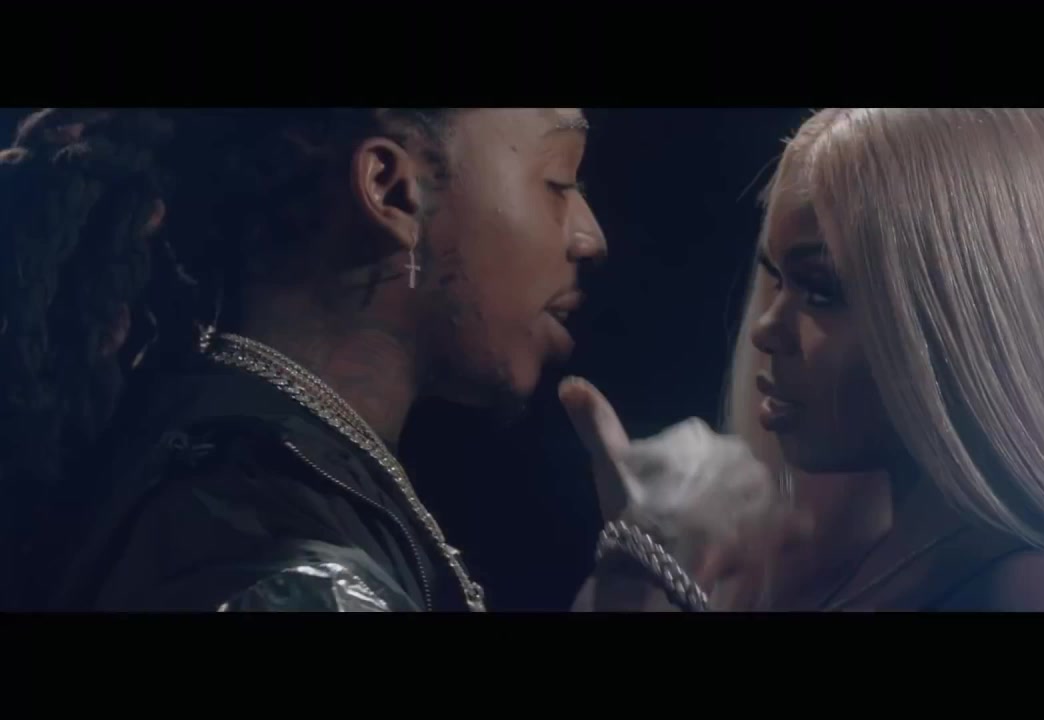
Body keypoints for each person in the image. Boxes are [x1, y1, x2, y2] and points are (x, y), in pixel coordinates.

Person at [1, 107, 621, 611]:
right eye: (560, 183)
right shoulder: (261, 549)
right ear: (390, 188)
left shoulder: (254, 484)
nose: (590, 237)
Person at [574, 108, 1044, 612]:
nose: (766, 328)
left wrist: (650, 575)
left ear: (963, 318)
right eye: (775, 279)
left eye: (822, 290)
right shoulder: (852, 568)